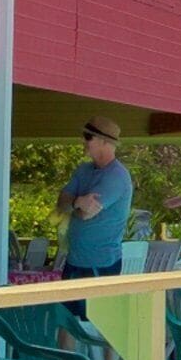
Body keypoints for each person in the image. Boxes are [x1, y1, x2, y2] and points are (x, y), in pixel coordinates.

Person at [57, 116, 135, 278]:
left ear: (104, 142)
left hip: (100, 265)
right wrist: (77, 201)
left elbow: (86, 214)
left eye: (88, 137)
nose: (83, 141)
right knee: (64, 305)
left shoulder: (117, 176)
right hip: (73, 262)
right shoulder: (83, 170)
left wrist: (71, 205)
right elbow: (61, 203)